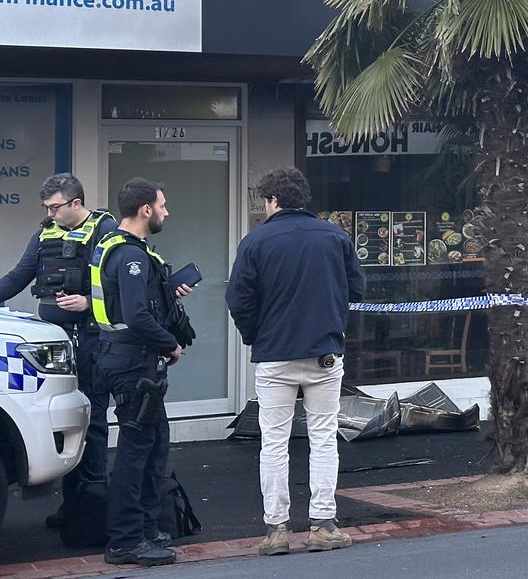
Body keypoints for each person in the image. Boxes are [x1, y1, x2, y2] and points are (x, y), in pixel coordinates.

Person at [225, 166, 364, 556]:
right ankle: (322, 523)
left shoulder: (255, 242)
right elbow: (356, 288)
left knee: (274, 442)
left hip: (274, 354)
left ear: (272, 200)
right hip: (324, 352)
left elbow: (239, 300)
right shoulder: (335, 236)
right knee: (323, 437)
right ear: (304, 199)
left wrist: (256, 335)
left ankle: (276, 529)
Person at [0, 173, 117, 527]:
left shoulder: (104, 230)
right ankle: (71, 509)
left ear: (76, 203)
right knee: (64, 420)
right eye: (47, 208)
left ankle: (90, 508)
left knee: (92, 419)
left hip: (91, 340)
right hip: (53, 347)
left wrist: (88, 303)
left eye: (55, 207)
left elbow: (121, 288)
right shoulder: (45, 232)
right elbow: (19, 276)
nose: (50, 214)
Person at [91, 178, 195, 567]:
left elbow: (135, 304)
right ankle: (125, 541)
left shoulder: (125, 251)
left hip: (134, 363)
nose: (166, 211)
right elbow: (134, 316)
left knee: (154, 446)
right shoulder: (130, 256)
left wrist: (169, 291)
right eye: (163, 205)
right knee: (136, 452)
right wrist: (170, 344)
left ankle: (148, 529)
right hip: (133, 364)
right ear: (145, 210)